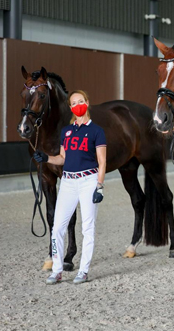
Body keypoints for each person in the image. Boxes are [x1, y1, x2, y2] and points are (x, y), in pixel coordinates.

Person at [34, 90, 107, 285]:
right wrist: (47, 158)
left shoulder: (97, 131)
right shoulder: (66, 131)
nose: (77, 105)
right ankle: (57, 270)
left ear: (87, 102)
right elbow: (63, 158)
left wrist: (99, 186)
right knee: (57, 227)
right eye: (74, 103)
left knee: (87, 228)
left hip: (88, 181)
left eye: (80, 101)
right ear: (71, 107)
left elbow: (102, 162)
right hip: (67, 181)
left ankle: (83, 271)